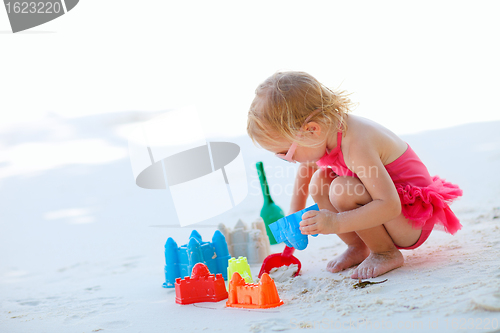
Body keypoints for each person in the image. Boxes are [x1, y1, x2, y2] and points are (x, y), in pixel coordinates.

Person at [247, 71, 463, 279]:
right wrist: (293, 218)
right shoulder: (323, 134)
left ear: (312, 130)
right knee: (320, 182)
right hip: (386, 212)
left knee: (342, 190)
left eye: (286, 153)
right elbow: (307, 170)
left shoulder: (356, 144)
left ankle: (385, 252)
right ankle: (358, 247)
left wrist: (336, 223)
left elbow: (390, 205)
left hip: (411, 219)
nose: (289, 160)